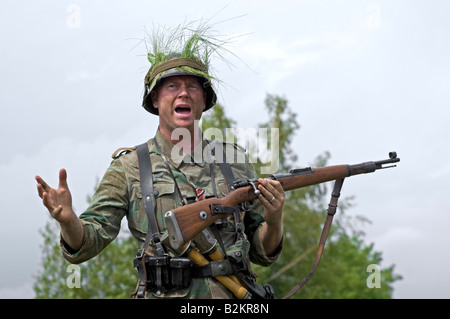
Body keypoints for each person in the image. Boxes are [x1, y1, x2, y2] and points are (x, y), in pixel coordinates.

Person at [35, 29, 285, 299]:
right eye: (172, 86)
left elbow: (263, 253)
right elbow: (87, 243)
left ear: (204, 100)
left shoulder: (234, 161)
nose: (184, 94)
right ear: (155, 99)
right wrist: (68, 220)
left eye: (192, 87)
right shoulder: (130, 167)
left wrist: (275, 219)